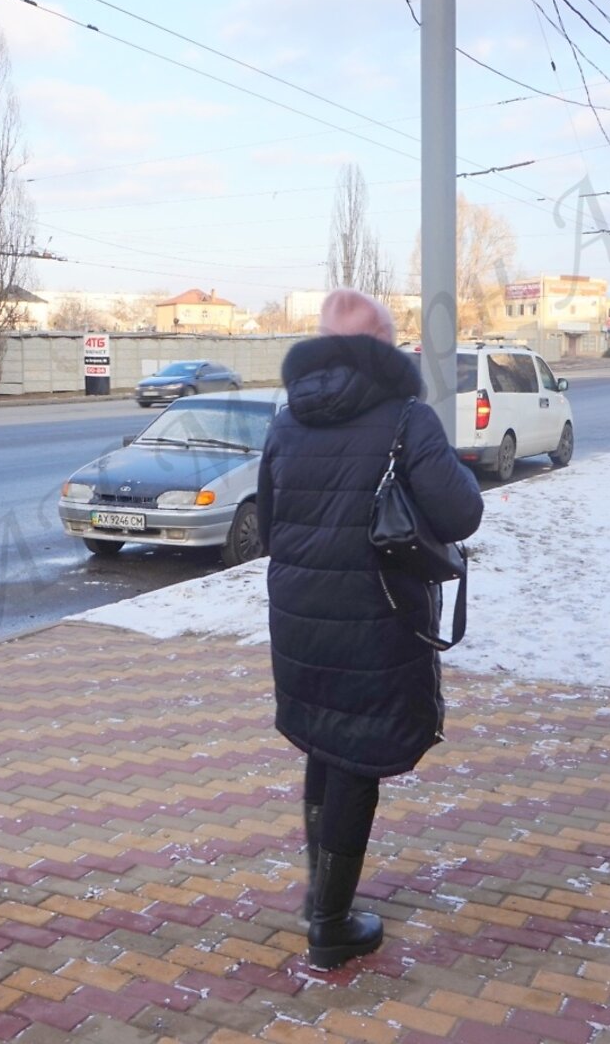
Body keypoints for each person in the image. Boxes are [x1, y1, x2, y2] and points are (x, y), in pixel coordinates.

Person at [256, 289, 484, 970]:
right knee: (355, 757)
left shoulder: (287, 418)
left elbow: (268, 526)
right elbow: (461, 513)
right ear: (383, 346)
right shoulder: (406, 418)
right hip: (375, 613)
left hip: (299, 617)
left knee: (324, 746)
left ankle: (320, 894)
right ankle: (330, 924)